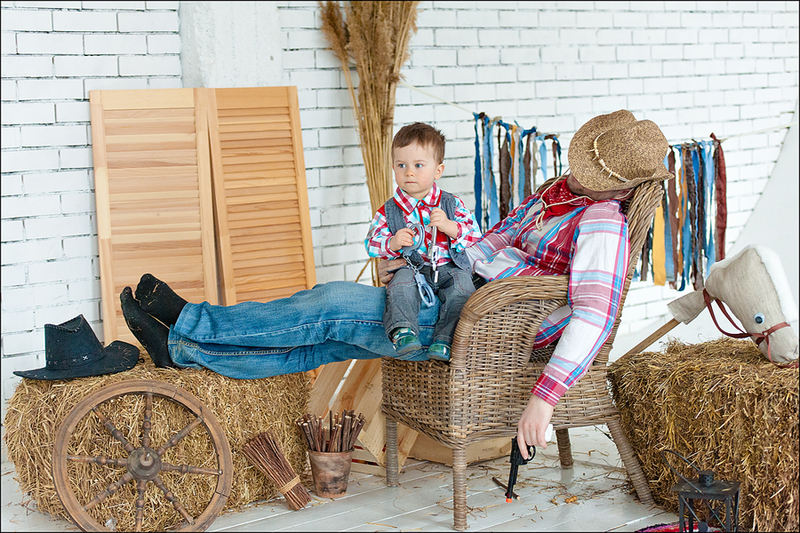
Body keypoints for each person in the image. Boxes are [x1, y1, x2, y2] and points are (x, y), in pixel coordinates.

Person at [120, 109, 672, 457]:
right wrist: (425, 259)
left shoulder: (603, 223)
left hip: (484, 324)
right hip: (452, 286)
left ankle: (191, 320)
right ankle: (183, 351)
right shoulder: (559, 192)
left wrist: (544, 400)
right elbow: (490, 242)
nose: (576, 173)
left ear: (619, 186)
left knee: (330, 304)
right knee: (323, 343)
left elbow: (595, 316)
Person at [365, 122, 482, 361]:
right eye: (401, 165)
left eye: (418, 165)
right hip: (412, 267)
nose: (409, 172)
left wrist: (449, 226)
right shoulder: (389, 210)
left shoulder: (451, 203)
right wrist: (392, 243)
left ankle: (445, 340)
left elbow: (475, 236)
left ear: (438, 171)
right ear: (393, 167)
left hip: (448, 268)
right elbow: (371, 243)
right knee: (400, 285)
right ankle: (403, 332)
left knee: (463, 289)